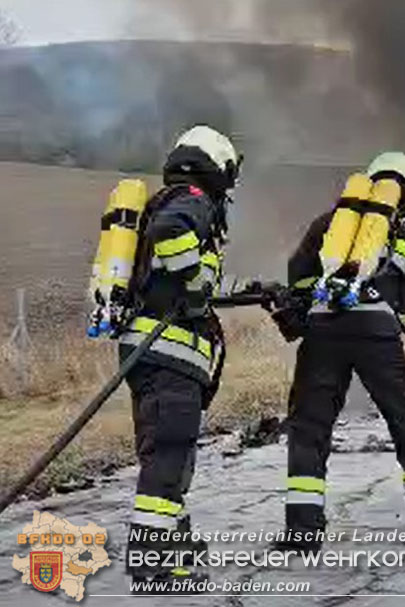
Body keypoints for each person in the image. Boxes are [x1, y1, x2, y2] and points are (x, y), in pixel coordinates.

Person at [275, 151, 405, 554]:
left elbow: (297, 274)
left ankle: (303, 533)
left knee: (309, 429)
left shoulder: (330, 223)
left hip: (322, 333)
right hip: (376, 335)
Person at [121, 125, 243, 584]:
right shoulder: (191, 198)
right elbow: (172, 234)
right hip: (168, 354)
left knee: (168, 458)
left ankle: (175, 550)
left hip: (155, 354)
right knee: (169, 457)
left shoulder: (171, 196)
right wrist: (194, 281)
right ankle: (153, 567)